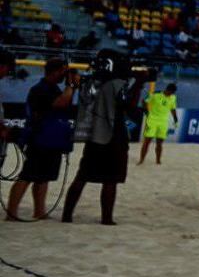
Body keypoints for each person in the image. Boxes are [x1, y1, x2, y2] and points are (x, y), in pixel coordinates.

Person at [62, 49, 148, 225]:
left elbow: (78, 90)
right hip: (114, 136)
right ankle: (106, 218)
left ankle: (67, 215)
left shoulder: (91, 82)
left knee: (82, 176)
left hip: (94, 134)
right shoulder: (118, 84)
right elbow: (129, 107)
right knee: (111, 180)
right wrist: (138, 84)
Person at [5, 57, 76, 221]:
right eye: (63, 72)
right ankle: (11, 212)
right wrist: (71, 86)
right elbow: (60, 103)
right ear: (55, 71)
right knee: (28, 176)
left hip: (50, 139)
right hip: (40, 138)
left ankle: (39, 210)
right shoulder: (41, 89)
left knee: (43, 177)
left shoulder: (51, 88)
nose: (65, 76)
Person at [138, 82, 178, 165]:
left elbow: (173, 109)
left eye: (172, 93)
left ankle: (158, 160)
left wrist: (176, 120)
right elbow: (143, 101)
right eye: (171, 92)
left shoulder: (173, 98)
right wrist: (146, 112)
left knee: (159, 143)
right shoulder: (156, 95)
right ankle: (141, 160)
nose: (171, 94)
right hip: (152, 121)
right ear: (167, 90)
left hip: (163, 122)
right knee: (147, 141)